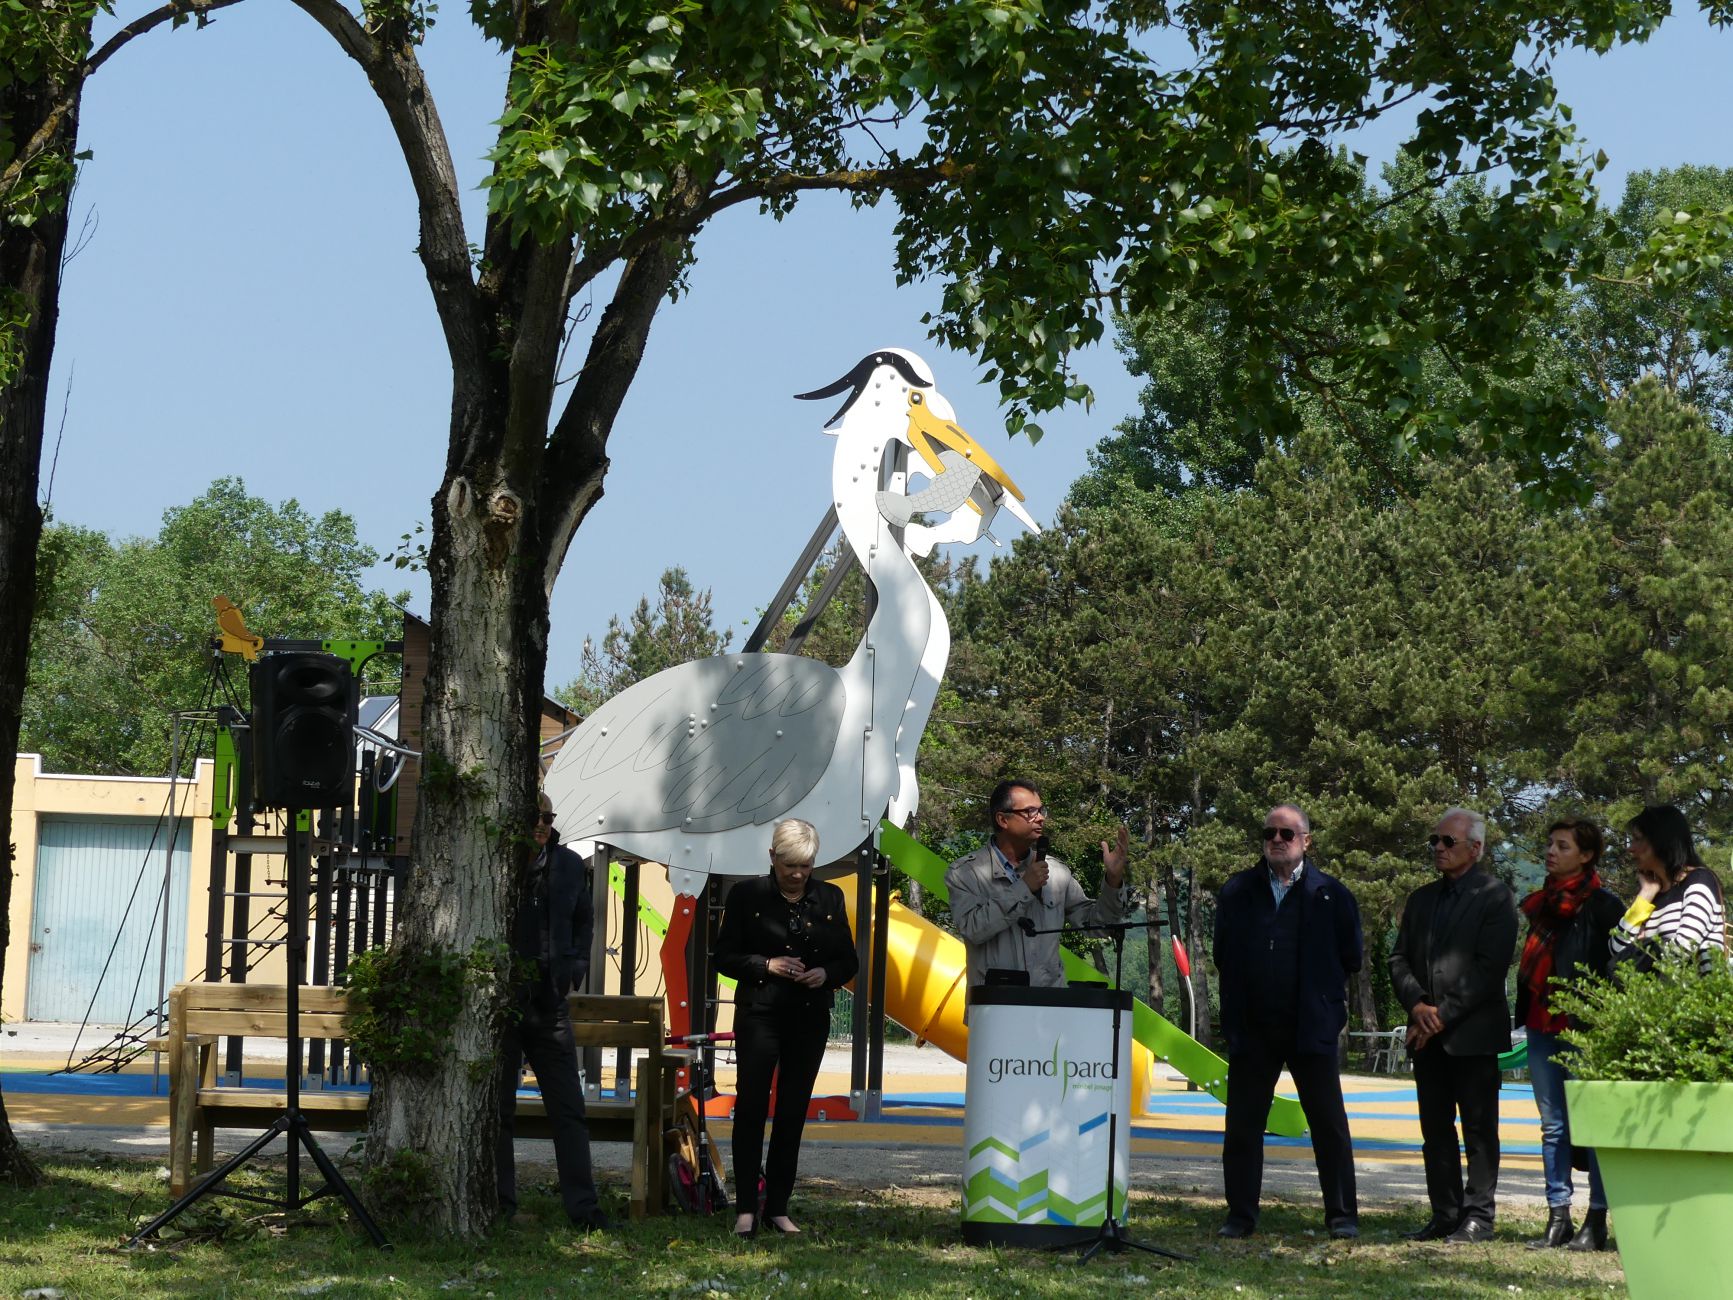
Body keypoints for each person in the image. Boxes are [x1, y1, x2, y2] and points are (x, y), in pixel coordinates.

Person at [1212, 803, 1364, 1240]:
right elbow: (1223, 954)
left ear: (1306, 842)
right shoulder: (1237, 891)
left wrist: (1325, 1003)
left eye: (1287, 834)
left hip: (1310, 1027)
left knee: (1329, 1126)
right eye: (1269, 833)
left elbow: (1351, 956)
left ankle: (1341, 1216)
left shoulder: (1333, 895)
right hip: (1253, 1027)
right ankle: (1240, 1216)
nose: (1276, 840)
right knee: (1242, 1126)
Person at [713, 819, 858, 1238]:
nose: (797, 874)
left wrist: (825, 974)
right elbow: (723, 956)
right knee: (752, 1107)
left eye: (806, 866)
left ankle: (778, 1207)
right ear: (773, 858)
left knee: (792, 1111)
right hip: (759, 1013)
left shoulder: (830, 897)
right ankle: (745, 1209)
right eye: (789, 865)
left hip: (809, 1016)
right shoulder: (746, 895)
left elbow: (849, 961)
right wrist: (765, 965)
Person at [1388, 807, 1518, 1243]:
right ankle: (1444, 1213)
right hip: (1427, 1035)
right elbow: (1398, 957)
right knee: (1435, 1129)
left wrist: (1440, 1015)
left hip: (1473, 1036)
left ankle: (1479, 1215)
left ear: (1475, 849)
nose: (1438, 849)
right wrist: (1417, 1005)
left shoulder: (1496, 896)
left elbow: (1489, 967)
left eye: (1448, 842)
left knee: (1479, 1130)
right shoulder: (1422, 898)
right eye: (1434, 842)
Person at [496, 795, 611, 1231]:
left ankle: (584, 1210)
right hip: (504, 1003)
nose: (542, 825)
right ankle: (500, 1206)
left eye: (547, 818)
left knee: (568, 1108)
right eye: (534, 818)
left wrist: (576, 965)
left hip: (549, 1000)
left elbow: (585, 917)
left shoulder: (565, 864)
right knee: (499, 1111)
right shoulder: (497, 861)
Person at [1515, 819, 1623, 1252]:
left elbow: (1616, 970)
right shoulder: (1542, 903)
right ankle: (1557, 1216)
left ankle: (1596, 1220)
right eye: (1549, 844)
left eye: (1562, 845)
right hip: (1542, 1028)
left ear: (1586, 855)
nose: (1551, 851)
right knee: (1553, 1126)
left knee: (1591, 1126)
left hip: (1584, 1031)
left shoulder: (1602, 906)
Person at [944, 779, 1132, 991]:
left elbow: (1097, 925)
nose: (1041, 818)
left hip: (1049, 1008)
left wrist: (1113, 880)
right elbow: (973, 929)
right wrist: (1024, 888)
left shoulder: (1057, 873)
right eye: (1030, 812)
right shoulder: (965, 873)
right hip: (995, 1011)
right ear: (1002, 820)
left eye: (1042, 810)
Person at [1610, 805, 1729, 976]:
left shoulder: (1699, 881)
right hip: (1655, 1000)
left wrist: (1642, 951)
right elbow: (1617, 950)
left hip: (1696, 999)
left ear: (1660, 841)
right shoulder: (1651, 896)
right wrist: (1645, 896)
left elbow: (1684, 947)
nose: (1630, 848)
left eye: (1637, 839)